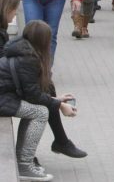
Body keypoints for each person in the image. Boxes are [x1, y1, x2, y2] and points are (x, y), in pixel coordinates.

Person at [0, 20, 79, 181]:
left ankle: (23, 159)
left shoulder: (24, 51)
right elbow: (33, 96)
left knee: (36, 110)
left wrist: (56, 99)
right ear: (43, 41)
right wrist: (60, 105)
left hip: (5, 96)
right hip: (3, 98)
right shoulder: (28, 58)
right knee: (40, 112)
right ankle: (24, 164)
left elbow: (31, 92)